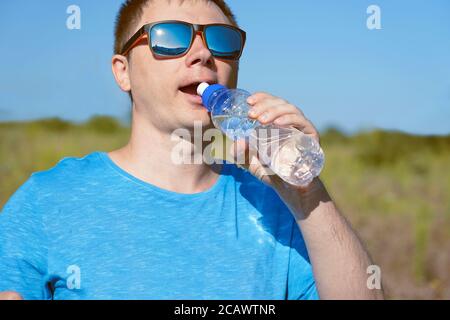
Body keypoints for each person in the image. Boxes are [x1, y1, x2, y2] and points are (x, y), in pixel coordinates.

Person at [0, 0, 383, 300]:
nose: (203, 55)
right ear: (123, 71)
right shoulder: (47, 201)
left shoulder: (278, 212)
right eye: (170, 37)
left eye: (221, 40)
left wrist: (307, 195)